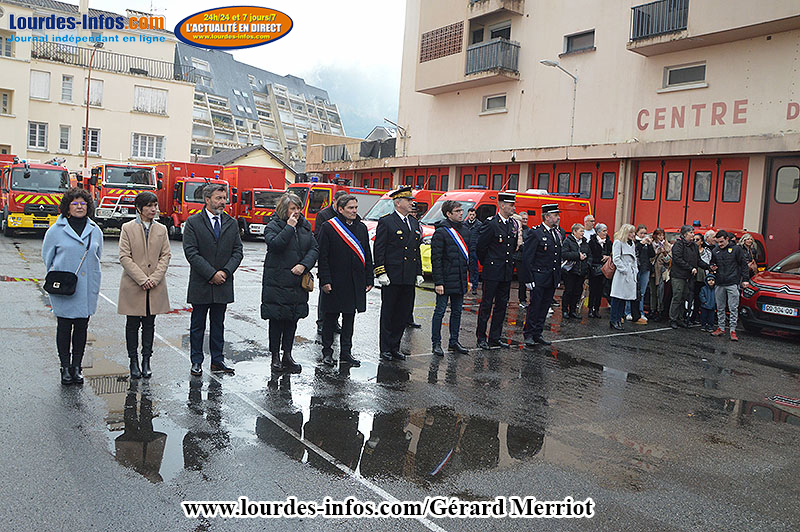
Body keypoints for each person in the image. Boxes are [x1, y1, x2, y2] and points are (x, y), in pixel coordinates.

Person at [42, 187, 103, 385]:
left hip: (86, 288)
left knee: (81, 327)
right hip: (64, 287)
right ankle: (65, 367)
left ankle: (77, 367)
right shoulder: (55, 230)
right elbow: (47, 258)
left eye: (83, 203)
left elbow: (97, 256)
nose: (79, 206)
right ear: (67, 207)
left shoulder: (95, 230)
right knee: (64, 326)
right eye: (75, 203)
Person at [183, 184, 243, 376]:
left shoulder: (231, 223)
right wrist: (211, 274)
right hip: (201, 283)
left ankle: (217, 361)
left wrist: (224, 272)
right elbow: (191, 252)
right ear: (207, 200)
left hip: (223, 283)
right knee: (198, 325)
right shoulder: (193, 222)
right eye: (218, 198)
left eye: (224, 198)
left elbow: (238, 251)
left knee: (218, 324)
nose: (223, 202)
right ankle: (196, 361)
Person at [261, 193, 319, 373]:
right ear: (283, 210)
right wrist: (289, 227)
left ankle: (287, 354)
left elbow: (314, 248)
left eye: (298, 209)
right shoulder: (273, 226)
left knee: (292, 320)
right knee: (277, 321)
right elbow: (275, 245)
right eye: (292, 209)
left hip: (296, 282)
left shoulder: (305, 226)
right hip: (277, 282)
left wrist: (304, 265)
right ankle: (275, 357)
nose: (296, 213)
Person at [117, 191, 171, 380]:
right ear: (139, 208)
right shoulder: (127, 228)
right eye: (149, 206)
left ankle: (146, 360)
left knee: (149, 324)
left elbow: (166, 255)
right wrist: (142, 278)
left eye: (155, 205)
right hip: (134, 284)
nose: (153, 209)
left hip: (154, 285)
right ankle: (133, 361)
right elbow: (124, 256)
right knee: (132, 325)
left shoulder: (161, 230)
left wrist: (154, 278)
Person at [317, 194, 373, 367]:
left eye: (356, 207)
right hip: (335, 281)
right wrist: (325, 280)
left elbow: (367, 254)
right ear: (340, 209)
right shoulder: (329, 227)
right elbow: (323, 256)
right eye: (350, 208)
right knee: (330, 318)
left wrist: (369, 278)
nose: (354, 211)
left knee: (350, 319)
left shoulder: (361, 228)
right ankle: (327, 352)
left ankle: (346, 353)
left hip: (354, 282)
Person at [373, 186, 423, 362]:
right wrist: (381, 272)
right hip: (392, 276)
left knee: (403, 314)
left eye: (411, 200)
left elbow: (416, 250)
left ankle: (395, 347)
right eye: (408, 200)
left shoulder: (414, 223)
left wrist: (419, 272)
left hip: (408, 276)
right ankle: (385, 348)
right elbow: (379, 249)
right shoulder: (387, 222)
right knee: (389, 313)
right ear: (398, 202)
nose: (412, 203)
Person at [475, 192, 519, 349]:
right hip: (493, 270)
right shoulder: (492, 223)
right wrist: (488, 263)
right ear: (502, 205)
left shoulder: (512, 224)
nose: (513, 207)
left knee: (502, 305)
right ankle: (481, 337)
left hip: (506, 271)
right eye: (511, 205)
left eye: (514, 204)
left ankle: (495, 336)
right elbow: (481, 247)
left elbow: (512, 247)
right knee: (487, 305)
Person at [430, 200, 470, 356]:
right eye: (458, 211)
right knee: (439, 312)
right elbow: (436, 259)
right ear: (448, 214)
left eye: (461, 210)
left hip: (460, 279)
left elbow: (469, 256)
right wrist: (438, 281)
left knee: (457, 312)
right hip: (445, 280)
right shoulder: (441, 232)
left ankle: (454, 341)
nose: (461, 213)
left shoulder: (465, 230)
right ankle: (436, 343)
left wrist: (469, 279)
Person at [520, 204, 562, 346]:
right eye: (555, 215)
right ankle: (529, 334)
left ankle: (538, 332)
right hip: (538, 276)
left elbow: (557, 257)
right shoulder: (536, 232)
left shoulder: (556, 233)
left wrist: (557, 277)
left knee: (544, 307)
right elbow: (527, 257)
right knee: (535, 306)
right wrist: (528, 278)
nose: (557, 218)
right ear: (547, 216)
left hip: (550, 276)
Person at [314, 190, 347, 336]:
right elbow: (319, 236)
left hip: (342, 261)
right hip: (328, 258)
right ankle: (321, 322)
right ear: (334, 201)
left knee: (339, 294)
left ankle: (335, 322)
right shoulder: (324, 215)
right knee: (325, 294)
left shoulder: (345, 216)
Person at [709, 230, 751, 341]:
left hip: (732, 282)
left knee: (733, 307)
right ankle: (721, 327)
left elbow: (744, 265)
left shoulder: (736, 249)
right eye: (718, 242)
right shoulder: (715, 250)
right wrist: (712, 266)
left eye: (722, 242)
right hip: (719, 282)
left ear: (727, 239)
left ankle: (732, 330)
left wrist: (745, 279)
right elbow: (712, 263)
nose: (720, 244)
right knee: (720, 307)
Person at [669, 225, 710, 329]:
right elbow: (678, 259)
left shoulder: (694, 246)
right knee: (677, 297)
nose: (693, 235)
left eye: (693, 232)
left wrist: (708, 267)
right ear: (684, 234)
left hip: (689, 276)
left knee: (684, 297)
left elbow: (698, 260)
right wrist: (690, 268)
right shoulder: (678, 245)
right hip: (678, 275)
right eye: (691, 233)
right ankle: (673, 318)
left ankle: (680, 318)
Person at [609, 224, 639, 330]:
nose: (633, 234)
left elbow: (634, 259)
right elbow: (616, 258)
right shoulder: (618, 242)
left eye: (633, 232)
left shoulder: (632, 244)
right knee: (617, 297)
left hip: (630, 273)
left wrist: (635, 270)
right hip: (622, 274)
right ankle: (614, 320)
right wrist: (624, 269)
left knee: (624, 298)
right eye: (630, 232)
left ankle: (619, 319)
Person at [561, 223, 592, 319]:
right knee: (569, 291)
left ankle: (573, 310)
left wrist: (587, 265)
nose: (583, 233)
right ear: (574, 231)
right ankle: (565, 310)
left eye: (583, 231)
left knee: (578, 292)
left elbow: (590, 255)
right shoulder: (568, 241)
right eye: (581, 231)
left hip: (581, 271)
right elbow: (564, 254)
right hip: (570, 271)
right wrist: (577, 256)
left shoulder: (585, 242)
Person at [627, 225, 655, 323]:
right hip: (636, 269)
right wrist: (642, 243)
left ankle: (640, 312)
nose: (643, 235)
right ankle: (628, 311)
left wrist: (650, 244)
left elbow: (652, 255)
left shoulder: (647, 243)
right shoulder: (634, 242)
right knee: (632, 291)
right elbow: (635, 252)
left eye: (644, 233)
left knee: (642, 293)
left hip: (645, 268)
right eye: (641, 233)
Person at [588, 223, 612, 318]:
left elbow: (612, 253)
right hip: (594, 268)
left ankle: (597, 309)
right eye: (603, 231)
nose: (605, 233)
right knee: (593, 290)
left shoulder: (609, 242)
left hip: (605, 269)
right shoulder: (592, 242)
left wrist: (608, 257)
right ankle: (590, 308)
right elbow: (590, 255)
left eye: (606, 231)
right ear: (598, 232)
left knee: (600, 290)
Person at [648, 228, 672, 322]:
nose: (660, 237)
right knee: (652, 292)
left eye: (662, 235)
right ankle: (652, 309)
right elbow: (649, 258)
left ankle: (660, 311)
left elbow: (668, 260)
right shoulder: (651, 245)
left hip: (661, 271)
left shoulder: (668, 246)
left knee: (660, 292)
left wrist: (664, 252)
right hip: (652, 270)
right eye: (658, 235)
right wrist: (655, 253)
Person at [514, 211, 529, 308]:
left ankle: (522, 299)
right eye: (523, 219)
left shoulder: (528, 230)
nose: (525, 221)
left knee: (523, 280)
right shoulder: (515, 229)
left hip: (524, 258)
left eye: (526, 219)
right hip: (516, 256)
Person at [464, 208, 480, 295]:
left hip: (474, 249)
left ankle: (474, 287)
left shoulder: (479, 225)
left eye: (473, 215)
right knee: (466, 268)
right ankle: (466, 286)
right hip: (466, 249)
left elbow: (480, 237)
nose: (471, 216)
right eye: (470, 214)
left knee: (474, 269)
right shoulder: (464, 224)